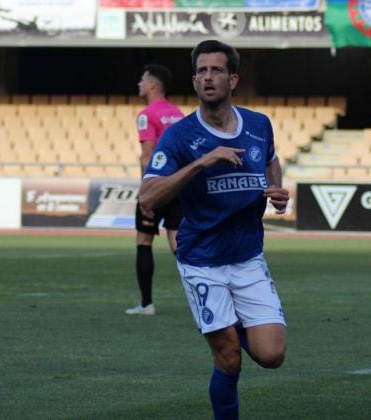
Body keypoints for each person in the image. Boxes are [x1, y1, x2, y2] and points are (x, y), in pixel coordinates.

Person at [139, 40, 289, 419]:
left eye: (216, 70)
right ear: (194, 80)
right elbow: (147, 196)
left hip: (247, 256)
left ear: (233, 79)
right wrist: (201, 163)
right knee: (229, 359)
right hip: (202, 260)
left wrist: (276, 192)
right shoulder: (179, 137)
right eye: (201, 71)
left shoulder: (258, 125)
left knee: (272, 355)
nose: (208, 77)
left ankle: (232, 324)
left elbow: (271, 161)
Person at [126, 64, 185, 316]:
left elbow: (146, 156)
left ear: (152, 85)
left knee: (144, 240)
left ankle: (146, 304)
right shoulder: (178, 114)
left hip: (158, 183)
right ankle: (205, 297)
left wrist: (145, 194)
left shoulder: (146, 114)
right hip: (179, 184)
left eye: (142, 79)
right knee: (178, 243)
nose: (138, 84)